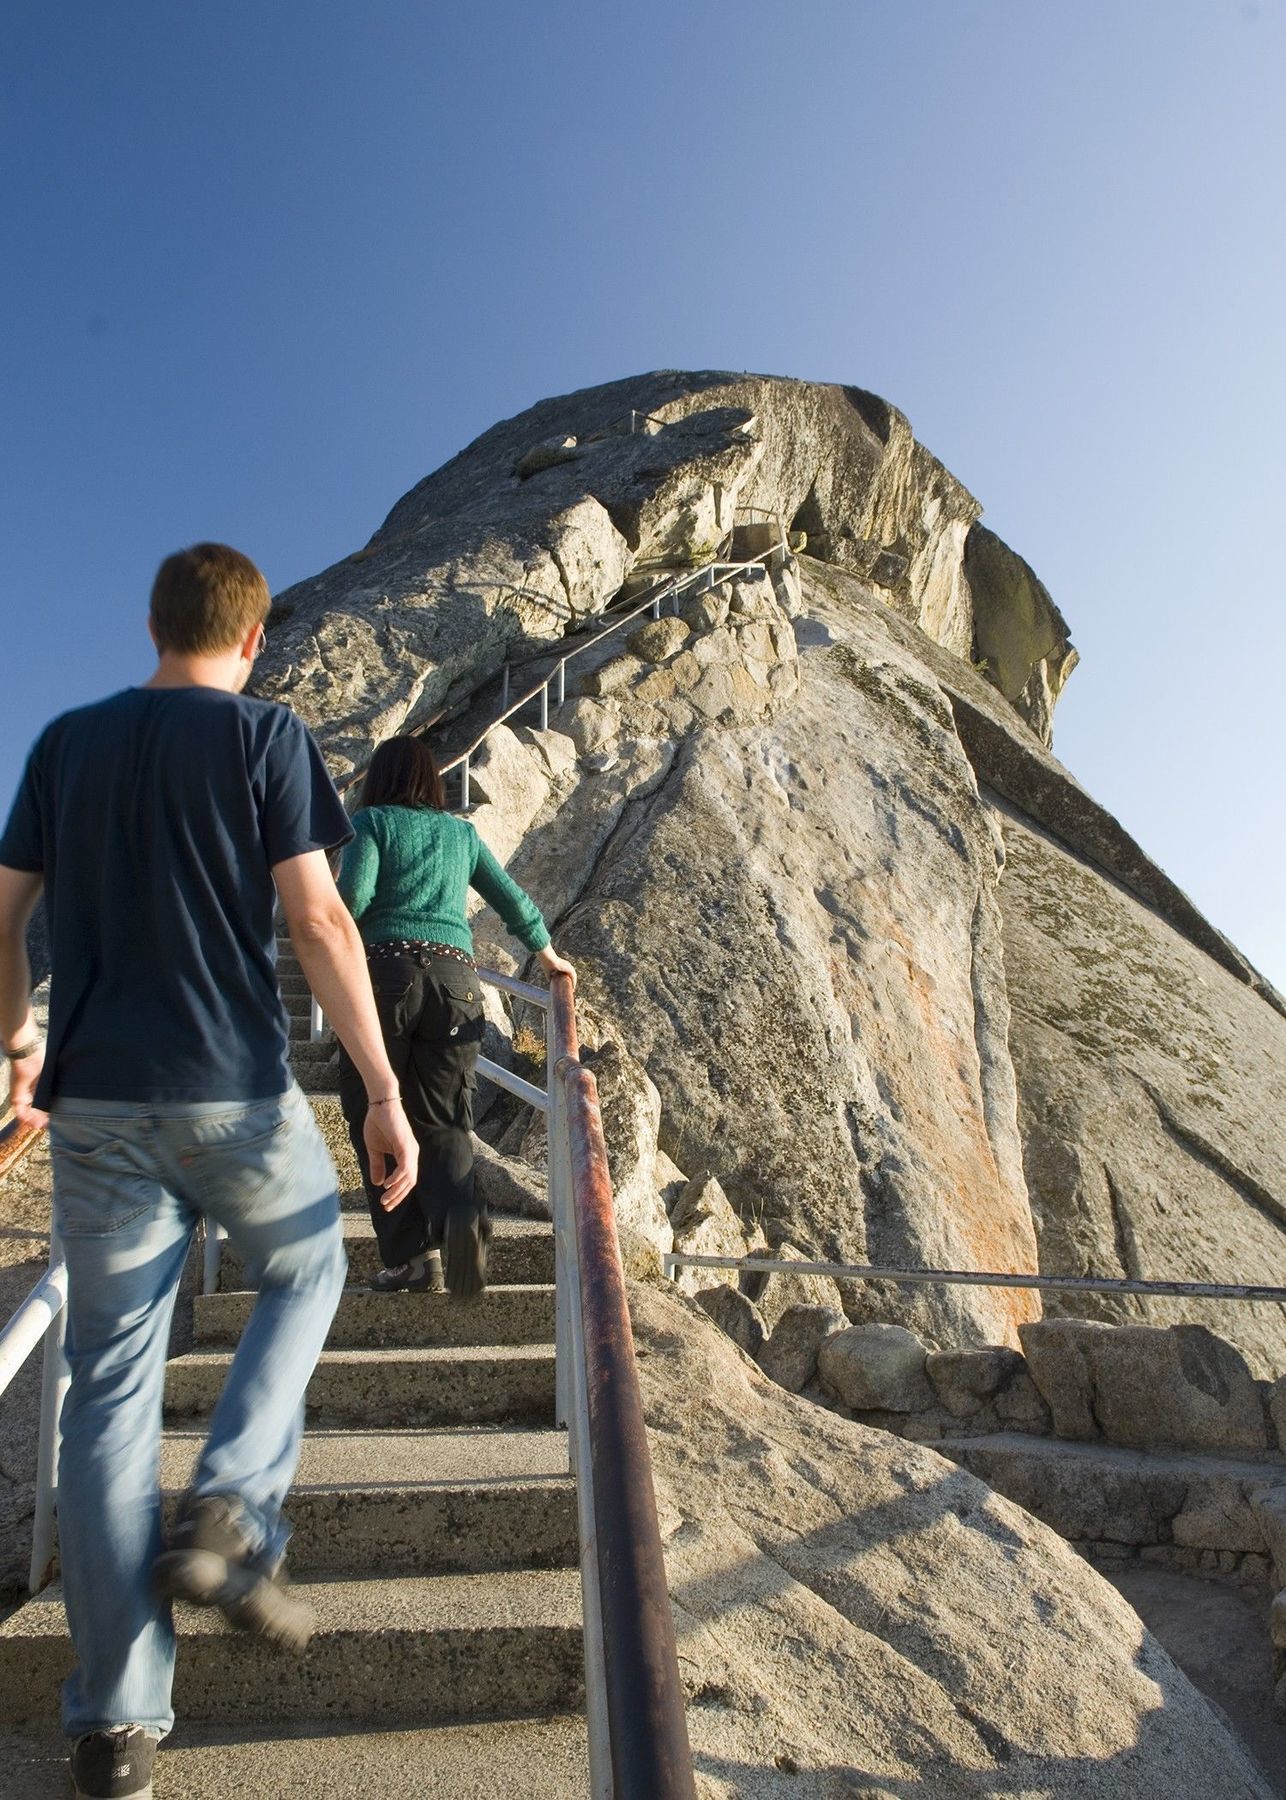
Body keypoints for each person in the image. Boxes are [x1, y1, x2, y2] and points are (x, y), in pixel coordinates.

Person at [0, 544, 419, 1800]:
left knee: (108, 1391)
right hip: (232, 1090)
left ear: (153, 624)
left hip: (96, 1108)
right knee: (308, 1266)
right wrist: (383, 1090)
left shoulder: (67, 743)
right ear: (251, 643)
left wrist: (16, 1041)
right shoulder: (264, 734)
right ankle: (233, 1508)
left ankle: (116, 1726)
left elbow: (2, 911)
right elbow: (319, 917)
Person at [335, 734, 574, 1298]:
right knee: (445, 1118)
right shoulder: (461, 835)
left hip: (383, 978)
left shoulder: (373, 825)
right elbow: (510, 898)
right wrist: (549, 956)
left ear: (379, 779)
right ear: (431, 781)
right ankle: (462, 1222)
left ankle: (408, 1260)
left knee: (375, 1110)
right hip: (455, 982)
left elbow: (352, 903)